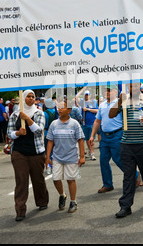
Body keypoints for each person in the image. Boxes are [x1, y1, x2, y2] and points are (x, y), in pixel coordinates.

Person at [109, 82, 143, 218]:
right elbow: (111, 114)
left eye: (136, 86)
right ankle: (125, 206)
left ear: (141, 87)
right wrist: (119, 101)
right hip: (127, 143)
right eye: (131, 86)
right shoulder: (124, 100)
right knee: (128, 175)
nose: (133, 89)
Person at [7, 93, 49, 221]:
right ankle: (20, 210)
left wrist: (28, 119)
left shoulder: (39, 113)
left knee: (38, 179)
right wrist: (18, 133)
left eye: (32, 96)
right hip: (19, 152)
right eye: (28, 96)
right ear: (22, 98)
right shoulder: (15, 115)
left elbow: (39, 130)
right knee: (21, 181)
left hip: (36, 152)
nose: (31, 99)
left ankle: (42, 201)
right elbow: (9, 134)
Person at [45, 99, 85, 214]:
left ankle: (73, 201)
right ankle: (62, 195)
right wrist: (47, 157)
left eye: (62, 107)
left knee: (70, 180)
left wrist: (82, 156)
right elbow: (50, 141)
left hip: (72, 156)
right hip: (57, 157)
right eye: (58, 107)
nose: (59, 109)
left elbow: (80, 140)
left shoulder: (74, 124)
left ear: (69, 110)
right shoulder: (54, 124)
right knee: (56, 179)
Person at [89, 85, 124, 193]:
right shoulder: (102, 104)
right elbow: (97, 121)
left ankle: (134, 175)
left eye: (109, 91)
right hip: (104, 136)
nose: (106, 92)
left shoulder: (120, 103)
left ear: (115, 91)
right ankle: (107, 184)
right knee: (103, 160)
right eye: (105, 91)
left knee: (118, 159)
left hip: (117, 134)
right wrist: (92, 135)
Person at [76, 89, 98, 160]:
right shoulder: (82, 102)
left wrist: (88, 109)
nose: (87, 96)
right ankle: (90, 151)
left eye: (88, 95)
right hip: (84, 124)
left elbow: (97, 111)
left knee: (91, 139)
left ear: (90, 95)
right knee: (87, 139)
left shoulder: (93, 102)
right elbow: (76, 97)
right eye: (85, 95)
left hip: (92, 123)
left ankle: (92, 153)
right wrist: (83, 89)